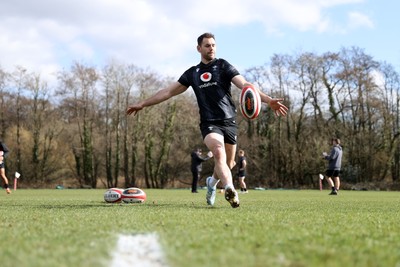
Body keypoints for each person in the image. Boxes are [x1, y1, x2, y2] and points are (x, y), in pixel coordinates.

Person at [126, 32, 288, 208]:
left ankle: (211, 183)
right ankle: (230, 189)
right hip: (209, 123)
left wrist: (268, 100)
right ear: (199, 48)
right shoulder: (192, 74)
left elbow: (245, 85)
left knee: (229, 163)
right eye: (207, 45)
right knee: (218, 151)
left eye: (213, 45)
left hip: (229, 121)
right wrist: (143, 103)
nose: (211, 48)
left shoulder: (223, 66)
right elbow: (167, 92)